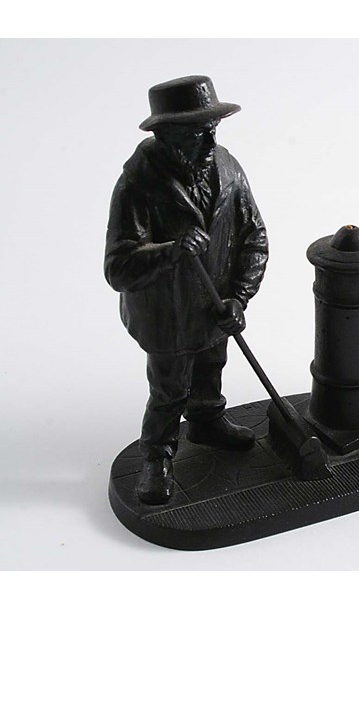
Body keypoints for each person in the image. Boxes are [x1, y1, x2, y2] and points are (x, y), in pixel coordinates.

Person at [105, 76, 269, 504]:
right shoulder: (138, 184)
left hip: (215, 306)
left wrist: (239, 296)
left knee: (211, 366)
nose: (210, 138)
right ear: (165, 135)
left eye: (212, 127)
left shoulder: (227, 168)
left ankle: (207, 421)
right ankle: (156, 457)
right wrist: (170, 252)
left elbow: (254, 237)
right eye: (196, 131)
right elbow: (118, 268)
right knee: (169, 390)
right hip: (167, 315)